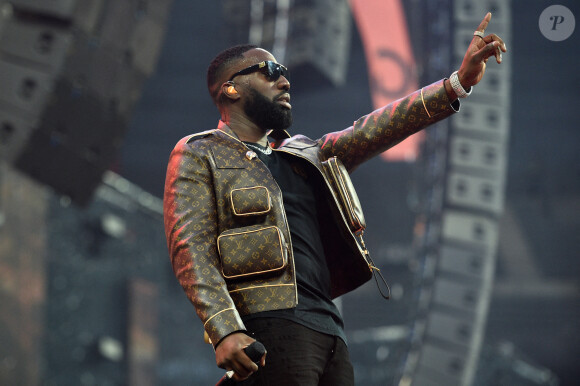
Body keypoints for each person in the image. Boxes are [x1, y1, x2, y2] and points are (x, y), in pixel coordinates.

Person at [163, 12, 506, 386]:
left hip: (330, 332)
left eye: (284, 71)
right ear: (231, 89)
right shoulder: (200, 153)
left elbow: (380, 126)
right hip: (270, 323)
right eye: (269, 70)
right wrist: (224, 329)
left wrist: (456, 84)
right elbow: (190, 247)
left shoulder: (306, 154)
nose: (284, 79)